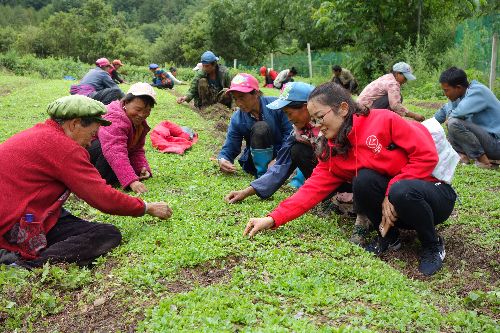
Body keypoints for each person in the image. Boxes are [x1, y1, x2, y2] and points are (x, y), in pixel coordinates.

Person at [243, 82, 457, 276]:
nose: (317, 126)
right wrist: (272, 219)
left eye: (320, 117)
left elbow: (426, 155)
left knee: (399, 190)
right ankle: (389, 238)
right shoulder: (333, 150)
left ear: (343, 109)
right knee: (363, 181)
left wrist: (392, 189)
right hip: (396, 204)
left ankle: (432, 244)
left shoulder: (383, 120)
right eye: (314, 120)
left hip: (431, 195)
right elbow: (310, 190)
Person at [0, 95, 172, 269]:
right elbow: (103, 198)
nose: (93, 140)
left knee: (67, 220)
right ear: (74, 124)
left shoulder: (42, 133)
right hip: (11, 222)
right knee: (106, 234)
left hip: (20, 208)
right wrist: (146, 207)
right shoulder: (64, 148)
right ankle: (25, 264)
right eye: (92, 133)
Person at [224, 82, 372, 243]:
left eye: (289, 112)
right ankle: (330, 198)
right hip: (336, 176)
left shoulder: (349, 126)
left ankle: (363, 216)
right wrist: (248, 192)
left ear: (307, 107)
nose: (288, 118)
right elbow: (282, 165)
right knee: (297, 150)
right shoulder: (301, 133)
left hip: (367, 177)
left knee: (364, 173)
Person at [217, 73, 292, 178]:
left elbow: (290, 135)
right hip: (255, 163)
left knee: (261, 127)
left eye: (242, 97)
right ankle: (263, 175)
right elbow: (231, 145)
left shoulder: (277, 106)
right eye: (235, 99)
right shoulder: (237, 118)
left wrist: (278, 160)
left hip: (283, 157)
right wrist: (223, 159)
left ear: (256, 93)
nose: (238, 103)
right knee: (260, 128)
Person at [88, 83, 156, 194]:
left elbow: (136, 149)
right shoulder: (115, 118)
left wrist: (142, 167)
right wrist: (132, 181)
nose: (142, 114)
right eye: (138, 109)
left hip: (101, 153)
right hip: (84, 155)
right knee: (105, 148)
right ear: (126, 102)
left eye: (147, 110)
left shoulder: (139, 123)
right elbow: (114, 150)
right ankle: (96, 180)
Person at [434, 67, 500, 169]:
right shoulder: (460, 96)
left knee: (453, 123)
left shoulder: (478, 91)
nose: (445, 94)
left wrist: (449, 118)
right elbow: (444, 111)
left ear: (458, 87)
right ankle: (463, 157)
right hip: (488, 142)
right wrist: (425, 126)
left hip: (496, 143)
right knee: (450, 130)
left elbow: (457, 113)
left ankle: (484, 162)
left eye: (446, 90)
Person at [357, 62, 425, 122]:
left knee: (396, 96)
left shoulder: (387, 77)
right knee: (398, 98)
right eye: (405, 78)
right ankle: (382, 121)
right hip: (365, 111)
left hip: (361, 108)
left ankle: (388, 120)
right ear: (398, 74)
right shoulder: (392, 83)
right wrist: (415, 116)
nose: (405, 81)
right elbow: (395, 105)